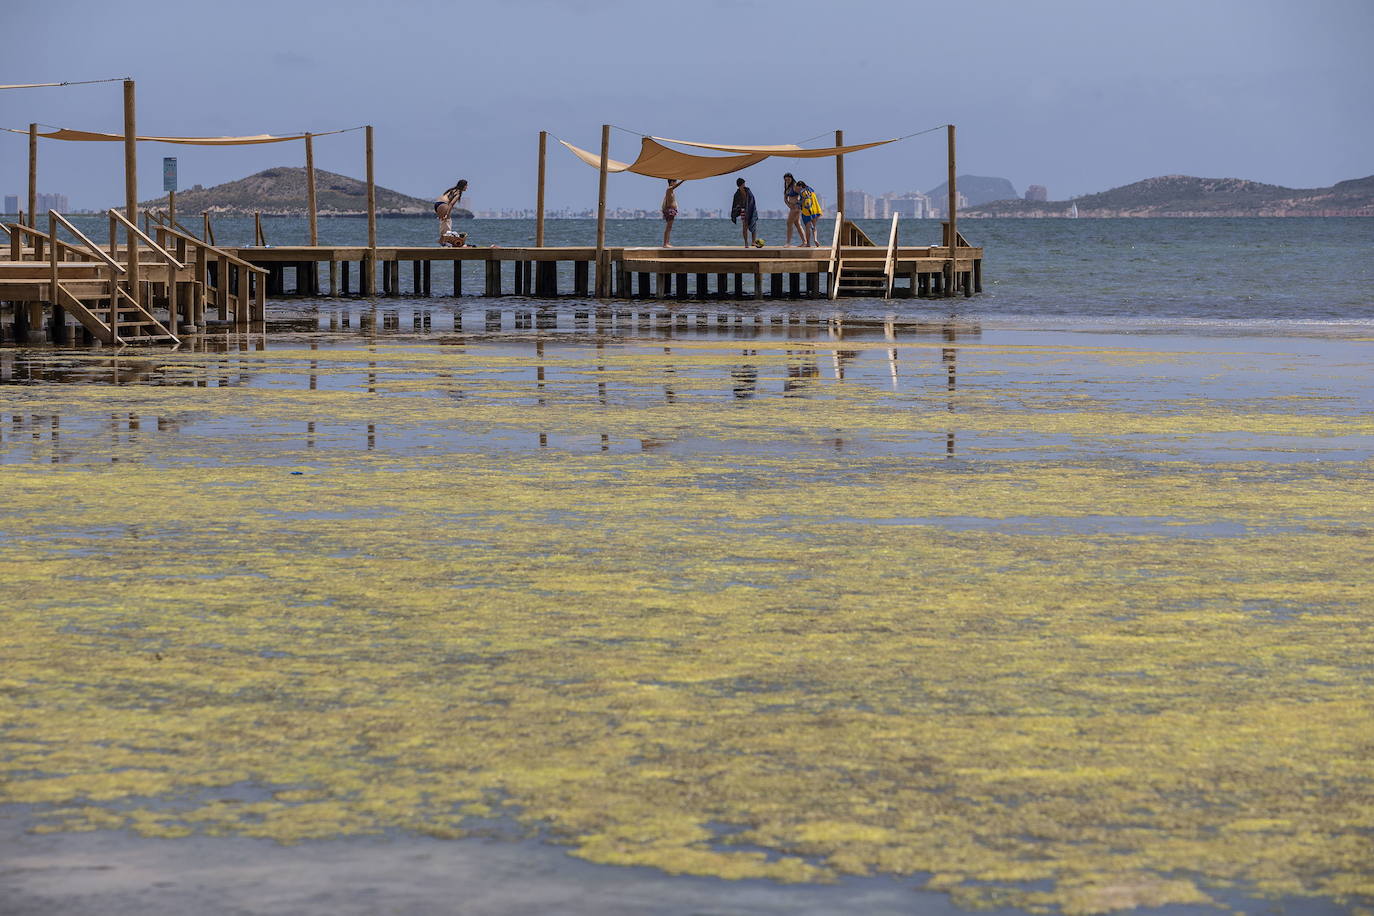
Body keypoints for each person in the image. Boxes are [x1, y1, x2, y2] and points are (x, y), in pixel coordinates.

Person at [730, 177, 758, 248]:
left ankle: (753, 242)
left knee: (753, 225)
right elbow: (735, 204)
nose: (744, 185)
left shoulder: (748, 191)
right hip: (743, 210)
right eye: (743, 184)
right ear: (740, 185)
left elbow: (752, 200)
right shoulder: (737, 194)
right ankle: (746, 243)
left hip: (751, 210)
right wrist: (736, 210)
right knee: (744, 226)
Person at [796, 180, 823, 247]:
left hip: (807, 212)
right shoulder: (811, 190)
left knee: (807, 227)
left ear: (800, 186)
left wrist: (797, 203)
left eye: (798, 188)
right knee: (814, 226)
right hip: (815, 210)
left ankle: (808, 244)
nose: (797, 189)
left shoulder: (802, 192)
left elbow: (802, 202)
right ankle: (815, 239)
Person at [661, 178, 685, 246]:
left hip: (672, 210)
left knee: (669, 227)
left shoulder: (671, 190)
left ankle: (667, 243)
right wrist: (683, 180)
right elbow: (675, 186)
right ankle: (665, 244)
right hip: (670, 210)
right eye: (675, 182)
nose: (675, 183)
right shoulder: (669, 189)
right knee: (668, 227)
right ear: (671, 182)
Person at [783, 173, 803, 247]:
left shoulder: (795, 186)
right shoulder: (787, 187)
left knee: (789, 223)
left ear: (792, 178)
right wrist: (788, 204)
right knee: (797, 224)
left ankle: (788, 242)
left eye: (788, 179)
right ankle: (804, 241)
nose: (787, 181)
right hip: (792, 208)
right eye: (786, 180)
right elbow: (785, 198)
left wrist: (797, 204)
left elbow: (802, 195)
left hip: (796, 208)